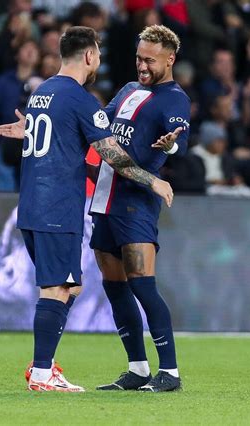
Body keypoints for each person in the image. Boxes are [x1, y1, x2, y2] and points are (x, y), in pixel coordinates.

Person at [0, 26, 174, 392]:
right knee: (57, 288)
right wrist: (151, 179)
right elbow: (113, 154)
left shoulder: (42, 91)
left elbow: (53, 135)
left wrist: (27, 129)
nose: (99, 62)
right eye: (99, 56)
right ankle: (42, 373)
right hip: (57, 205)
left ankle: (45, 367)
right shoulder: (80, 98)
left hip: (31, 204)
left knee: (70, 286)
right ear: (89, 56)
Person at [88, 24, 190, 392]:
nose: (142, 65)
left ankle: (171, 372)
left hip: (135, 203)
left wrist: (169, 146)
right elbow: (100, 124)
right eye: (138, 58)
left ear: (170, 59)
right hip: (104, 198)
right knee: (114, 287)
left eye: (150, 60)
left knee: (143, 285)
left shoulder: (174, 98)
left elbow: (180, 137)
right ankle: (138, 368)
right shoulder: (129, 90)